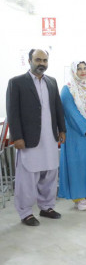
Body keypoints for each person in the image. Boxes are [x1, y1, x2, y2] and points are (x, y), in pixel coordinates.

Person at [6, 49, 66, 226]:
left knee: (50, 173)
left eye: (45, 60)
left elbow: (58, 108)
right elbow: (12, 112)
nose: (42, 63)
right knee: (28, 177)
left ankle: (47, 207)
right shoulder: (16, 82)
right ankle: (25, 213)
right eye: (38, 59)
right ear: (29, 60)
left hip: (50, 138)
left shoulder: (52, 82)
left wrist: (62, 130)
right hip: (28, 139)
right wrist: (16, 136)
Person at [59, 61, 86, 211]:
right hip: (76, 135)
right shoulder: (68, 89)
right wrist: (85, 129)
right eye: (79, 69)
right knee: (78, 165)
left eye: (85, 68)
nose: (83, 71)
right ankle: (79, 197)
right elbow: (71, 113)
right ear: (73, 71)